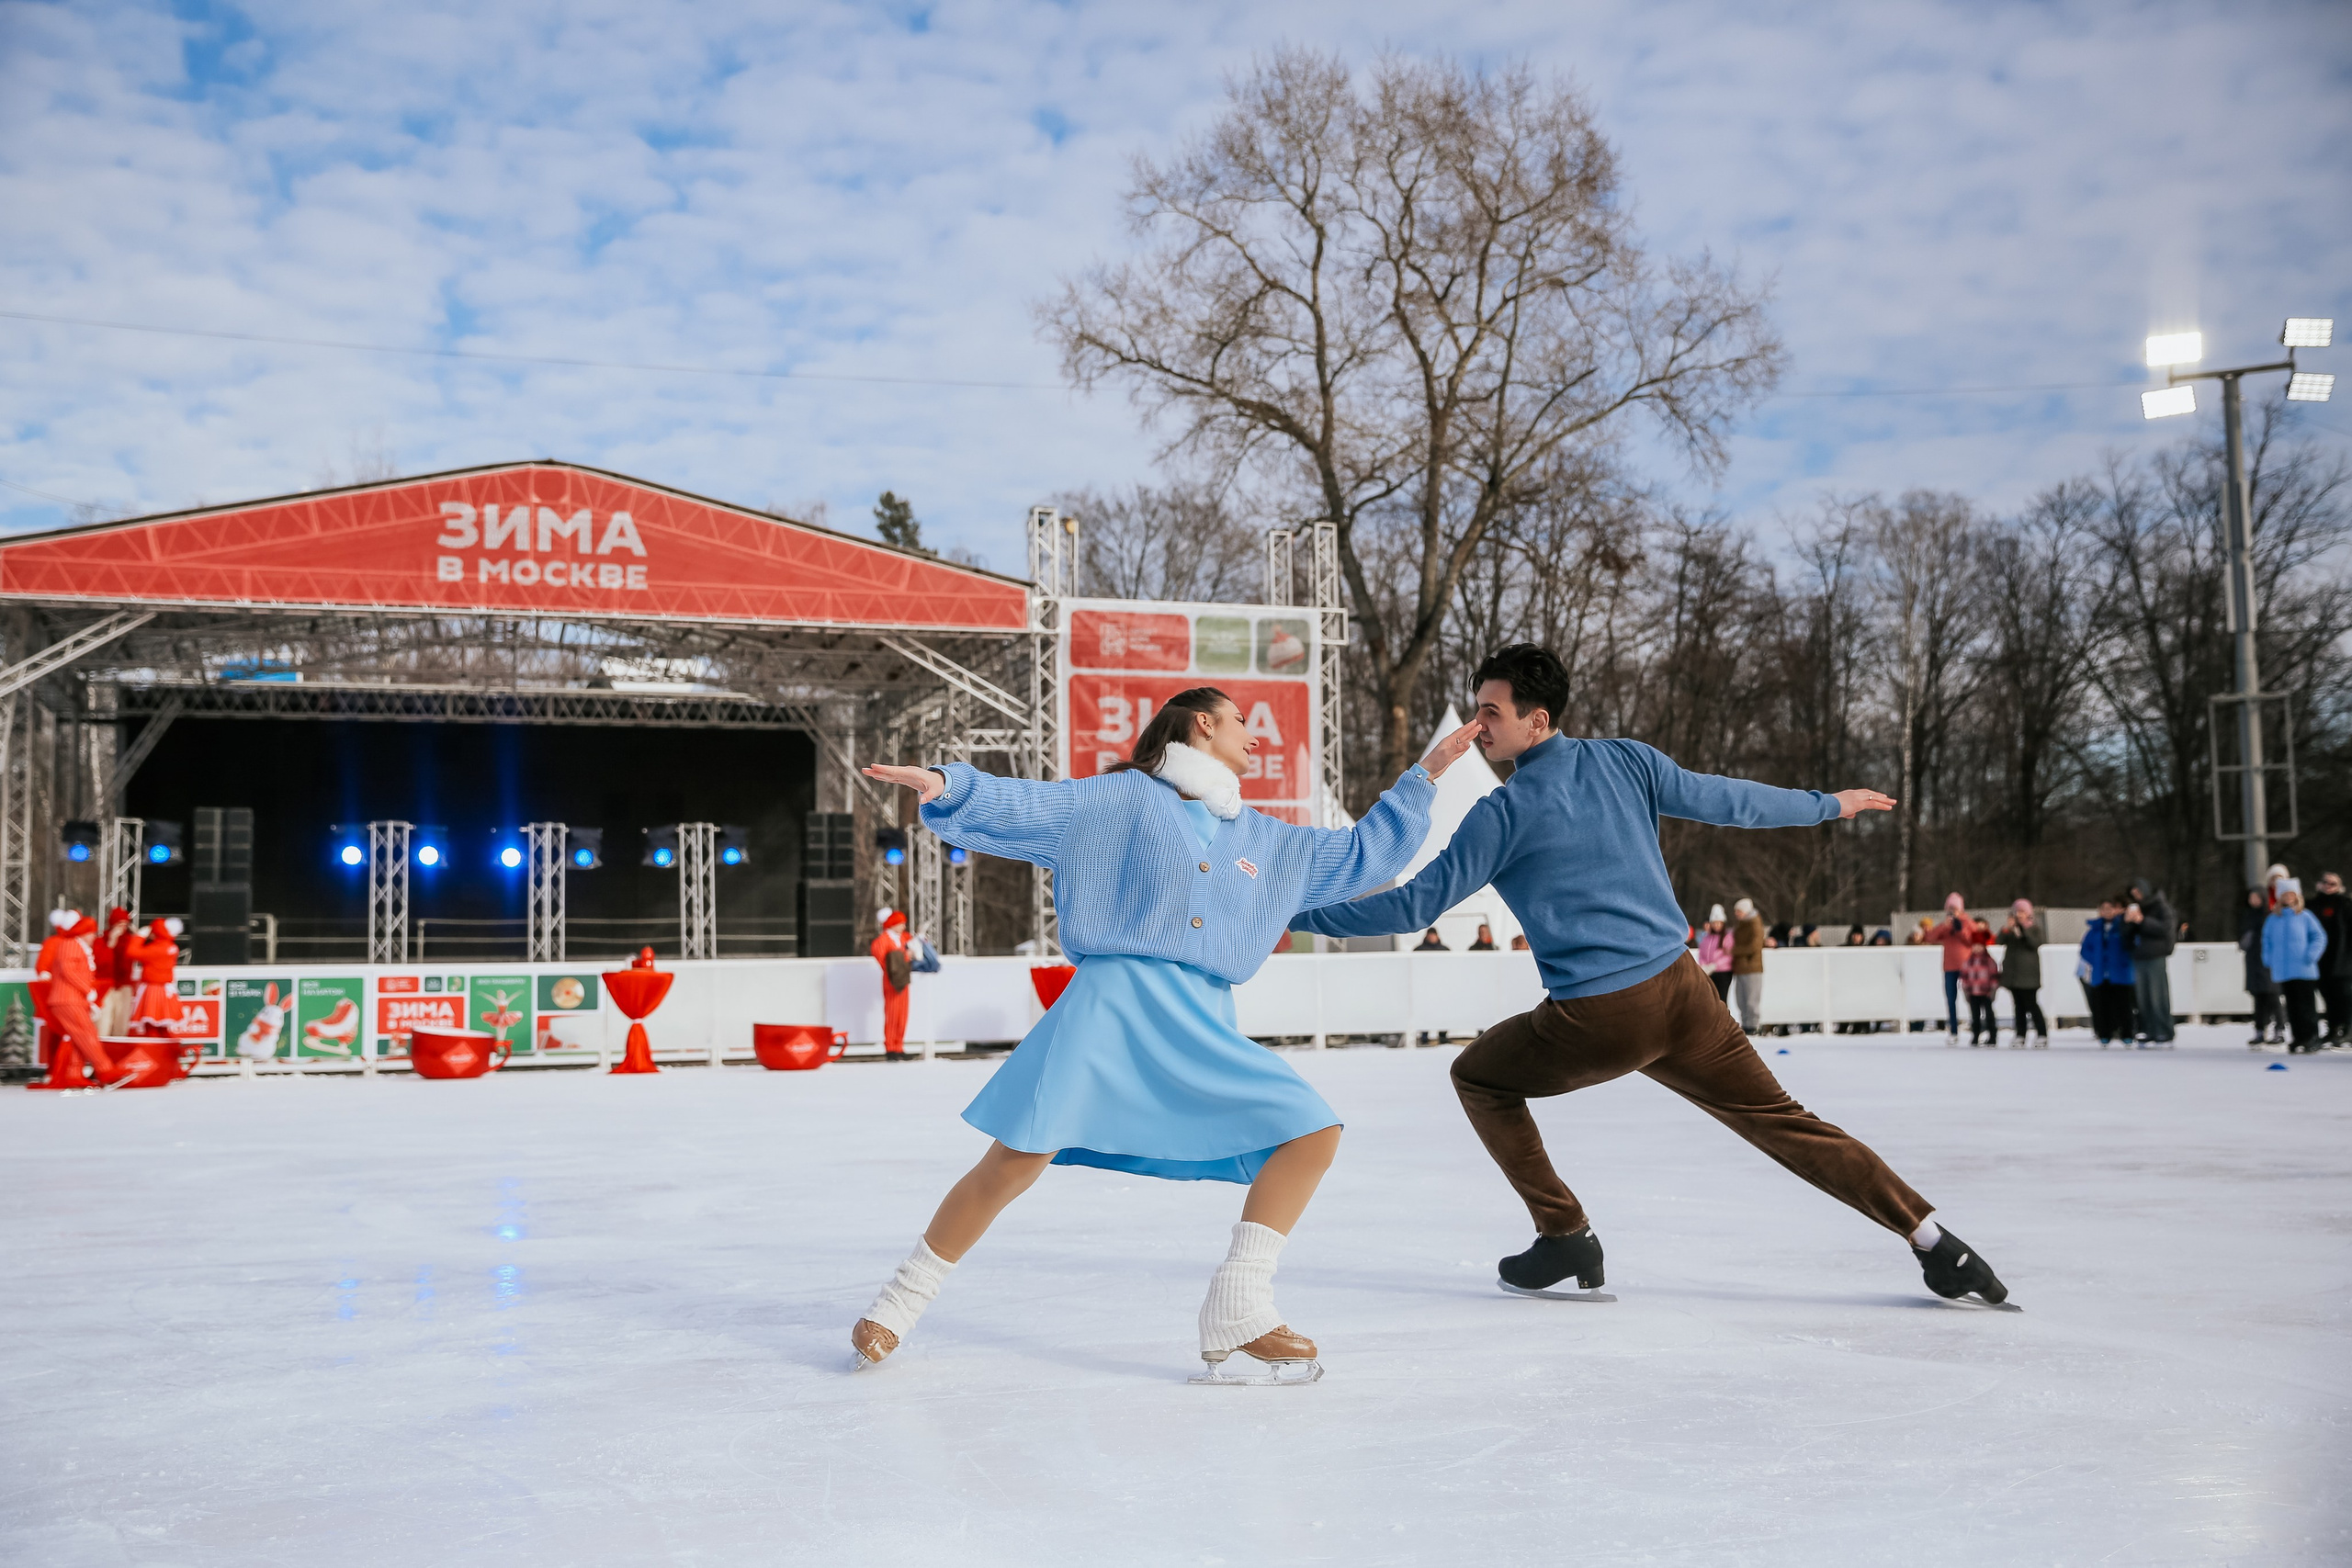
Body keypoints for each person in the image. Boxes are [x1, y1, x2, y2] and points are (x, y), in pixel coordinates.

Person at [1291, 643, 2008, 1309]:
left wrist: (1295, 913)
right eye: (1477, 709)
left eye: (1491, 713)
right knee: (1787, 1123)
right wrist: (1830, 804)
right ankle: (1934, 1241)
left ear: (1537, 721)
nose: (1479, 726)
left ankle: (1564, 1233)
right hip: (1685, 992)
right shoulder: (1626, 761)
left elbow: (1415, 903)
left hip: (1601, 1015)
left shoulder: (1502, 812)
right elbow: (1729, 799)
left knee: (1480, 1076)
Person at [848, 687, 1476, 1382]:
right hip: (1113, 1003)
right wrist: (948, 784)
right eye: (1241, 722)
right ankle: (899, 1301)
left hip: (1202, 1016)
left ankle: (1241, 1302)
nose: (1254, 736)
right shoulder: (1118, 800)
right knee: (1017, 1159)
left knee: (1311, 1133)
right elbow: (1026, 805)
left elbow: (1362, 855)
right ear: (1202, 724)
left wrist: (1425, 777)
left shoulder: (1265, 838)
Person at [28, 914, 133, 1090]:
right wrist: (88, 990)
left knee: (80, 1038)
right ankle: (105, 1069)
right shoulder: (69, 945)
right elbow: (69, 971)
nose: (94, 936)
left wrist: (88, 999)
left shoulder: (78, 947)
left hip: (74, 999)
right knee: (86, 1034)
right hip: (67, 999)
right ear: (84, 932)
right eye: (92, 932)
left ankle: (74, 1074)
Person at [2263, 882, 2328, 1054]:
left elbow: (2319, 936)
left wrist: (2311, 955)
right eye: (2285, 894)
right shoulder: (2273, 919)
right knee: (2292, 1006)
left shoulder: (2305, 916)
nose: (2288, 897)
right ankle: (2298, 1037)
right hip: (2284, 970)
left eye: (2291, 894)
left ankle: (2311, 1036)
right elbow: (2266, 940)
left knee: (2306, 1005)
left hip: (2304, 968)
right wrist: (2269, 959)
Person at [2122, 879, 2176, 1046]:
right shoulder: (2136, 908)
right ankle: (2148, 1029)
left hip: (2155, 955)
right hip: (2139, 956)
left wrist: (2142, 921)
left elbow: (2165, 928)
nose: (2136, 896)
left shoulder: (2161, 906)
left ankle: (2164, 1030)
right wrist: (2127, 922)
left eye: (2138, 892)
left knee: (2157, 995)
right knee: (2142, 997)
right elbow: (2125, 936)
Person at [2080, 897, 2137, 1046]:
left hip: (2120, 972)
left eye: (2109, 909)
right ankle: (2104, 1033)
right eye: (2103, 909)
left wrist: (2123, 960)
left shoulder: (2122, 927)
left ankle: (2127, 1033)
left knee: (2123, 1005)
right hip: (2100, 973)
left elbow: (2132, 945)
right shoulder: (2094, 930)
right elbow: (2085, 949)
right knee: (2101, 1005)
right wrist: (2097, 959)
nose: (2107, 912)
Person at [1922, 894, 1974, 1043]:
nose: (1952, 912)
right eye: (1950, 909)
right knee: (1951, 999)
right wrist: (1944, 926)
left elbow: (1972, 939)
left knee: (1972, 998)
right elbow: (1930, 938)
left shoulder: (1968, 923)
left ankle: (1976, 1026)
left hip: (1967, 966)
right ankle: (1953, 1030)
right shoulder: (1945, 926)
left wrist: (1960, 929)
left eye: (1955, 909)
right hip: (1949, 967)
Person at [1996, 899, 2048, 1047]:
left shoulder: (2034, 929)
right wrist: (2007, 928)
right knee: (2018, 1006)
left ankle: (2042, 1033)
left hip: (2028, 974)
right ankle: (2020, 1033)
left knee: (2031, 1004)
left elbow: (2034, 943)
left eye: (2022, 912)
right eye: (2016, 912)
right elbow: (1999, 941)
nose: (2019, 916)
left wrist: (2022, 932)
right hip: (2013, 974)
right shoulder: (2011, 931)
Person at [869, 907, 917, 1061]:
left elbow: (915, 947)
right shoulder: (882, 941)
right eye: (901, 923)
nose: (904, 926)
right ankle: (891, 1047)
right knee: (892, 1013)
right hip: (892, 981)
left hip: (903, 979)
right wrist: (904, 956)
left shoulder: (904, 938)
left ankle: (899, 1045)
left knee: (902, 1014)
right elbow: (887, 963)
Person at [2239, 888, 2284, 1047]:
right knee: (2259, 998)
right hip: (2253, 961)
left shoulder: (2270, 916)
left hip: (2268, 961)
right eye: (2252, 897)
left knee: (2272, 996)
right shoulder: (2248, 915)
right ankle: (2259, 1030)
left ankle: (2279, 1029)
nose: (2254, 901)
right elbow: (2243, 935)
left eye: (2257, 897)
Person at [2308, 872, 2349, 1045]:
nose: (2328, 886)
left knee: (2345, 996)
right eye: (2325, 882)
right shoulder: (2312, 905)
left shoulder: (2346, 904)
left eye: (2333, 883)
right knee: (2328, 996)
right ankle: (2332, 1028)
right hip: (2321, 960)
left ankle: (2347, 1029)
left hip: (2343, 959)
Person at [130, 917, 185, 1032]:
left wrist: (140, 936)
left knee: (152, 1026)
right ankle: (168, 1049)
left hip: (153, 989)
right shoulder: (172, 947)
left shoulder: (156, 949)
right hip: (166, 990)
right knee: (163, 1027)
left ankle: (156, 1049)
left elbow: (132, 952)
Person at [97, 906, 139, 1037]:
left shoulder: (129, 941)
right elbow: (100, 964)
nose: (122, 928)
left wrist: (139, 937)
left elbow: (140, 954)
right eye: (119, 924)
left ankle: (117, 1051)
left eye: (125, 924)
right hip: (106, 985)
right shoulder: (102, 940)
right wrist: (111, 943)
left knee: (121, 1023)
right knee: (104, 1022)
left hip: (124, 986)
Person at [1729, 897, 1767, 1035]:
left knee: (1752, 999)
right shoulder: (1741, 925)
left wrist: (1733, 951)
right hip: (1740, 967)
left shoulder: (1755, 924)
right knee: (1741, 999)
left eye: (1738, 911)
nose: (1736, 914)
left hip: (1752, 968)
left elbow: (1754, 946)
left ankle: (1753, 1025)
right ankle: (1745, 1023)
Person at [1960, 925, 2000, 1046]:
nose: (1977, 948)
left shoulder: (1989, 961)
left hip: (1986, 992)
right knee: (1975, 1016)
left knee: (1989, 1015)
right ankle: (1976, 1035)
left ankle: (1992, 1036)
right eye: (1975, 946)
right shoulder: (1968, 961)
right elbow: (1965, 976)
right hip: (1973, 993)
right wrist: (1966, 990)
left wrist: (1993, 990)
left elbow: (1994, 976)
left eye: (1979, 946)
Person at [1693, 906, 1735, 1006]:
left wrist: (1715, 965)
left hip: (1723, 972)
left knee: (1722, 998)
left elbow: (1728, 956)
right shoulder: (1706, 938)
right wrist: (1704, 966)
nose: (1716, 925)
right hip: (1709, 972)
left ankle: (1723, 1018)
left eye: (1719, 923)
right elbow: (1702, 954)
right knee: (1710, 999)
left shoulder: (1728, 937)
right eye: (1714, 923)